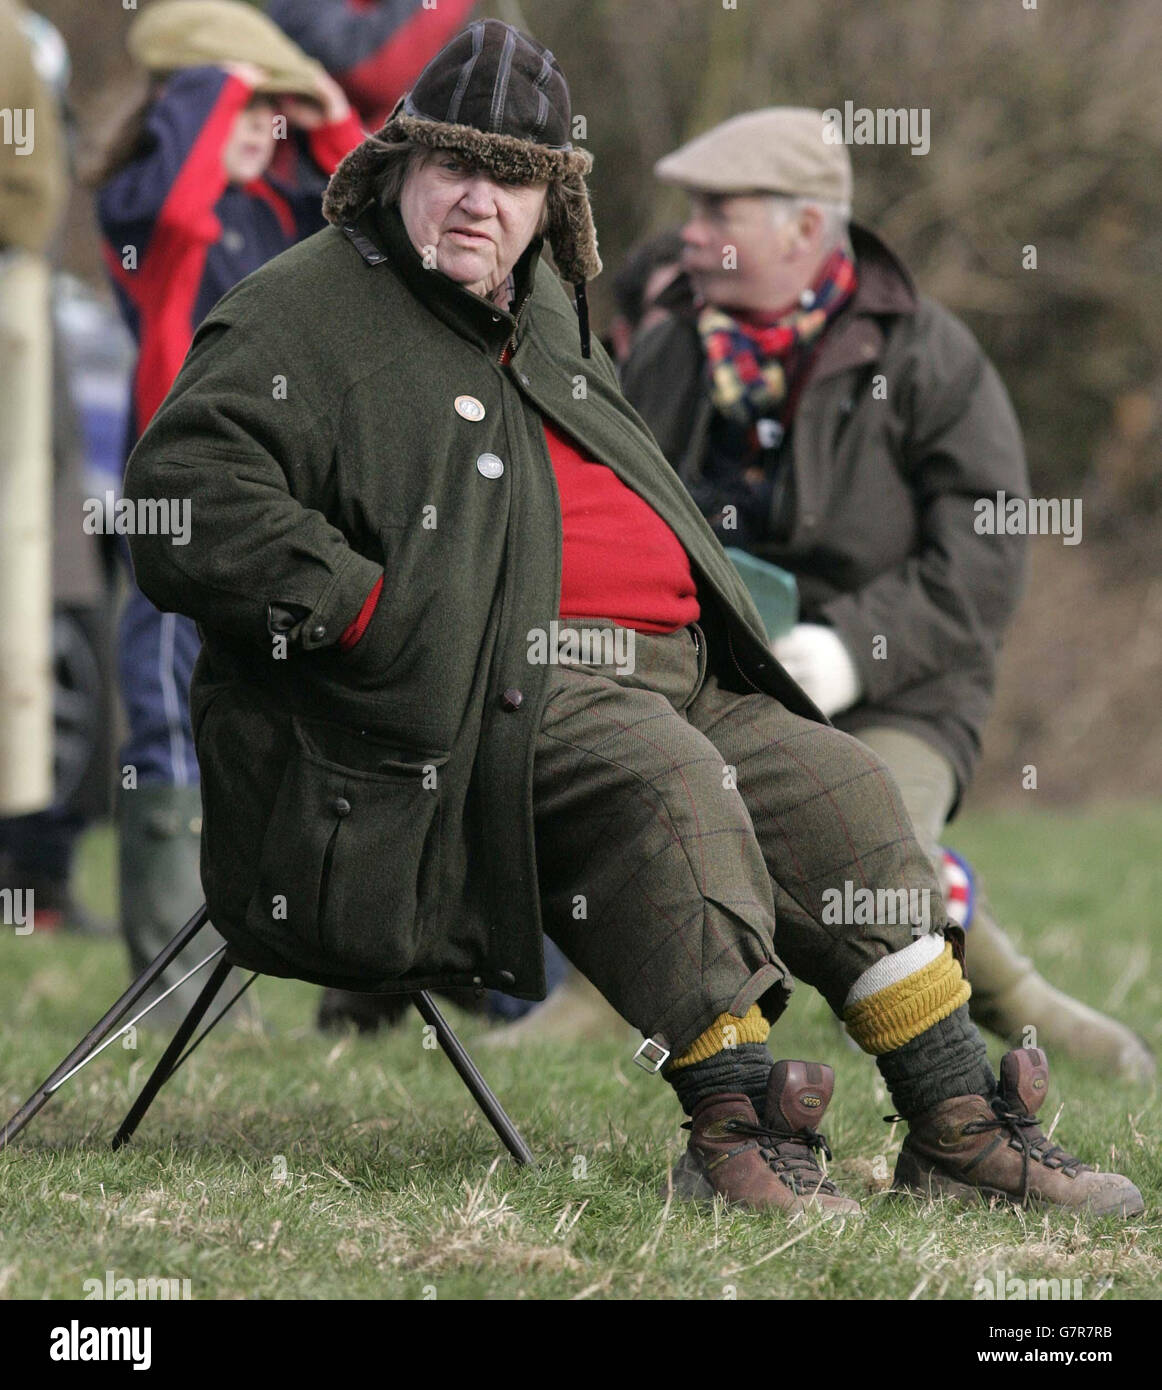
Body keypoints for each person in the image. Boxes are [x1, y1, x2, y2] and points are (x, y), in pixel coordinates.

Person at [123, 20, 1143, 1219]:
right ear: (397, 164)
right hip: (481, 693)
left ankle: (956, 1120)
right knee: (667, 787)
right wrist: (369, 613)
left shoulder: (546, 301)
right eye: (453, 165)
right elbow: (181, 494)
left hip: (675, 665)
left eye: (512, 177)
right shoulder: (299, 312)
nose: (477, 201)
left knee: (843, 788)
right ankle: (736, 1129)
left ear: (550, 200)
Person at [618, 109, 1155, 1087]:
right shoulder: (664, 355)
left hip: (898, 689)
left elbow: (988, 556)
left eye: (716, 207)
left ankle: (1013, 1009)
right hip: (729, 676)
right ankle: (600, 1007)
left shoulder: (929, 359)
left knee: (868, 874)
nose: (688, 230)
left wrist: (846, 648)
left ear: (802, 228)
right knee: (649, 807)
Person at [90, 0, 364, 1020]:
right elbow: (177, 209)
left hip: (283, 491)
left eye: (275, 110)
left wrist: (326, 107)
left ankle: (302, 959)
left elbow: (369, 212)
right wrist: (217, 82)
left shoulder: (279, 207)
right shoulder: (146, 206)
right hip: (176, 504)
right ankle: (175, 991)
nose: (267, 125)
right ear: (188, 105)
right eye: (248, 104)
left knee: (279, 720)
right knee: (165, 714)